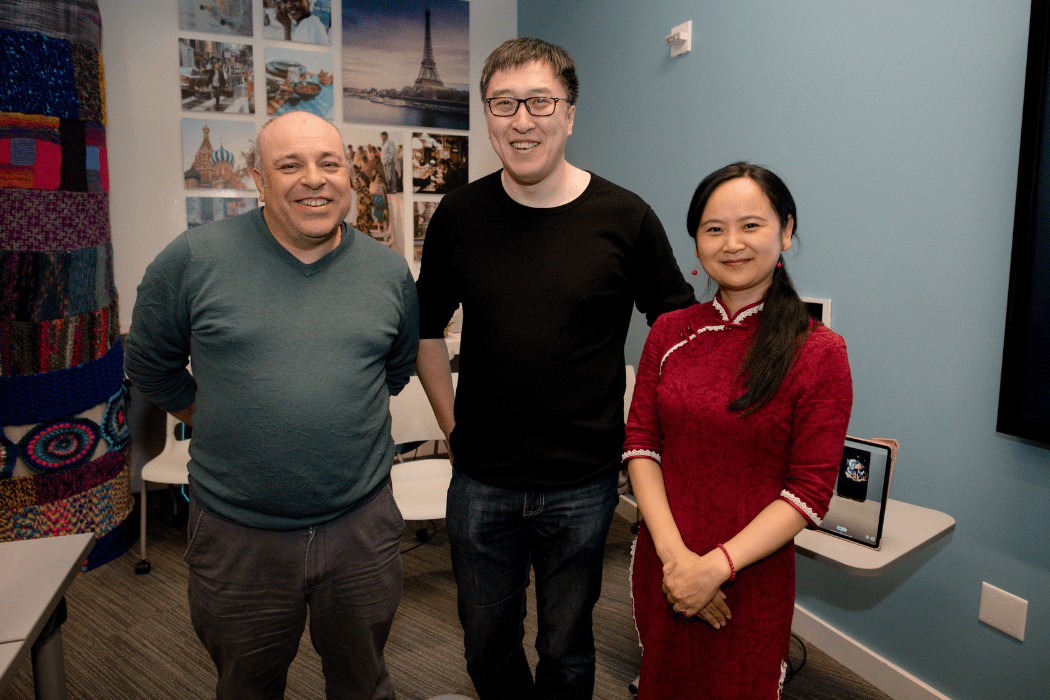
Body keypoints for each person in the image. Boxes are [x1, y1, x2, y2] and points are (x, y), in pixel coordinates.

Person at [414, 37, 695, 700]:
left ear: (570, 115)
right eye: (503, 104)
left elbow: (678, 334)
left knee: (567, 649)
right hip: (482, 481)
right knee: (486, 647)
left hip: (584, 484)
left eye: (540, 101)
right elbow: (425, 330)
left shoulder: (626, 219)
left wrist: (645, 435)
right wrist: (453, 429)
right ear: (487, 116)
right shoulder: (459, 216)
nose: (522, 119)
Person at [124, 111, 418, 700]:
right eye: (291, 165)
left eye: (329, 163)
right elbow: (148, 363)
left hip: (361, 528)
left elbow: (395, 369)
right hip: (238, 536)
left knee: (365, 683)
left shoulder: (387, 270)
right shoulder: (191, 259)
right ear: (258, 181)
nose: (315, 179)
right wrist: (207, 413)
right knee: (246, 686)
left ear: (349, 178)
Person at [624, 162, 853, 699]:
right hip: (664, 563)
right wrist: (678, 561)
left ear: (787, 232)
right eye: (713, 228)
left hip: (750, 578)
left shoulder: (819, 351)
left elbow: (809, 491)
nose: (732, 244)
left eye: (751, 225)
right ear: (696, 241)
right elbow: (641, 444)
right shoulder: (670, 331)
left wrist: (715, 569)